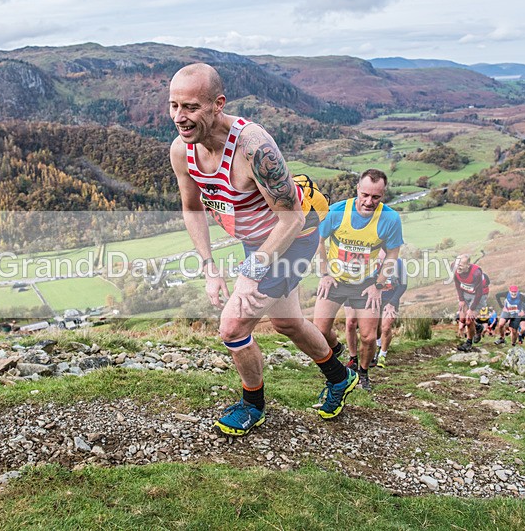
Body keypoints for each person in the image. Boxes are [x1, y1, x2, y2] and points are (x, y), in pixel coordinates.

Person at [168, 63, 357, 436]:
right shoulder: (181, 150)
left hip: (294, 236)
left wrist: (251, 271)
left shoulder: (253, 148)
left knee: (233, 325)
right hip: (257, 240)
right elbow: (192, 208)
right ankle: (339, 376)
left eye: (190, 107)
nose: (179, 117)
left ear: (217, 104)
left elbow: (292, 220)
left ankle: (252, 406)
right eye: (173, 106)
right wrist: (209, 267)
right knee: (287, 322)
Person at [313, 169, 404, 389]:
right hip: (336, 279)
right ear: (357, 190)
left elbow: (392, 254)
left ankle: (362, 373)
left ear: (383, 195)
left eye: (376, 197)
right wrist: (324, 274)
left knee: (368, 337)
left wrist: (379, 286)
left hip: (366, 284)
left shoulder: (390, 218)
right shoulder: (336, 212)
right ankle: (337, 349)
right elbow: (318, 240)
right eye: (364, 195)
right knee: (319, 330)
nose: (368, 202)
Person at [346, 253, 407, 369]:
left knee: (386, 326)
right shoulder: (370, 260)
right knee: (374, 329)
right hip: (372, 298)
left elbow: (403, 285)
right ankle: (374, 351)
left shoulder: (398, 262)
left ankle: (382, 354)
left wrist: (392, 302)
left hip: (389, 299)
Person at [453, 254, 488, 352]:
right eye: (457, 263)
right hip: (466, 293)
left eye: (461, 264)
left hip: (479, 295)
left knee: (469, 320)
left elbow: (479, 293)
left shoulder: (476, 274)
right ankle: (478, 327)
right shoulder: (454, 268)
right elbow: (457, 282)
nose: (458, 266)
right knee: (462, 319)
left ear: (468, 266)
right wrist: (461, 300)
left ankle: (468, 343)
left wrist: (472, 309)